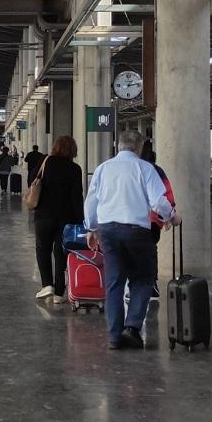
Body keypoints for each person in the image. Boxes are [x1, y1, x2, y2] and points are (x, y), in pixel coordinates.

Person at [85, 129, 181, 350]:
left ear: (118, 146)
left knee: (114, 283)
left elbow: (91, 202)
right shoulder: (145, 168)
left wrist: (91, 228)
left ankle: (114, 337)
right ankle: (133, 328)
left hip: (108, 230)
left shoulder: (103, 169)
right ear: (139, 147)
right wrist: (172, 216)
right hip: (137, 230)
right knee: (143, 278)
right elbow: (158, 201)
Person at [32, 136, 83, 304]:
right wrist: (81, 220)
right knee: (61, 252)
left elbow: (31, 181)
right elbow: (77, 197)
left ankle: (47, 285)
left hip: (43, 216)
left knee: (42, 249)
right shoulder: (75, 169)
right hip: (66, 219)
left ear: (56, 147)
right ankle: (59, 294)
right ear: (73, 150)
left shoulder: (44, 161)